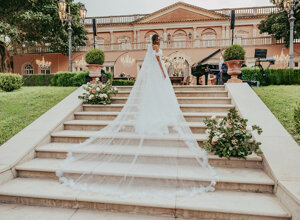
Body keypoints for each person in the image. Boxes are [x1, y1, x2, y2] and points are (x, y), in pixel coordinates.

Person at [56, 34, 218, 198]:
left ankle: (154, 117)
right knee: (160, 95)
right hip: (158, 73)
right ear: (156, 41)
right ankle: (159, 117)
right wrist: (164, 73)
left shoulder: (152, 49)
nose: (160, 41)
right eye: (159, 39)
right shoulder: (155, 49)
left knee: (154, 96)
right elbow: (158, 62)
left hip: (153, 75)